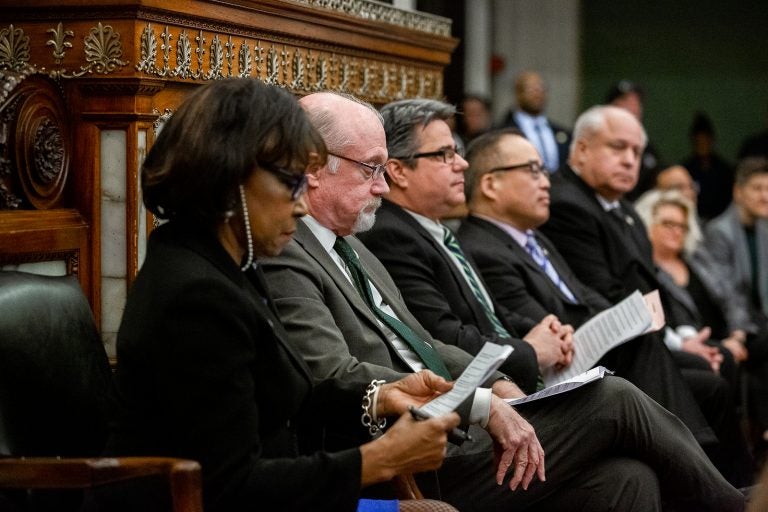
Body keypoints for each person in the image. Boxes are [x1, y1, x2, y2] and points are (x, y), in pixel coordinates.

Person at [261, 90, 745, 511]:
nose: (382, 187)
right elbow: (335, 375)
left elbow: (424, 342)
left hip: (456, 429)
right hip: (410, 453)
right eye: (371, 169)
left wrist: (497, 381)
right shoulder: (287, 250)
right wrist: (480, 402)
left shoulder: (355, 246)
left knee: (625, 478)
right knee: (612, 399)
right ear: (314, 167)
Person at [102, 79, 462, 512]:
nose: (301, 204)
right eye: (292, 181)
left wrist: (382, 394)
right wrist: (377, 461)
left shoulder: (230, 260)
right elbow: (229, 487)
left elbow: (291, 394)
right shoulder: (196, 296)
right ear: (234, 177)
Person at [456, 128, 717, 449]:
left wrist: (622, 318)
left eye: (545, 171)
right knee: (643, 348)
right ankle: (697, 472)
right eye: (532, 170)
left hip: (586, 348)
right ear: (491, 184)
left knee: (707, 380)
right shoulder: (482, 247)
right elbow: (542, 325)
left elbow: (583, 294)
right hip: (558, 369)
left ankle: (715, 474)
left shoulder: (536, 238)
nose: (546, 182)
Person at [539, 104, 752, 487]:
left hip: (642, 334)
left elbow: (651, 290)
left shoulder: (627, 211)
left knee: (717, 376)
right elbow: (603, 296)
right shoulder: (568, 204)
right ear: (582, 149)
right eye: (618, 148)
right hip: (606, 347)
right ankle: (703, 483)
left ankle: (732, 485)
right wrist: (673, 341)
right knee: (708, 379)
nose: (629, 160)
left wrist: (684, 337)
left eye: (636, 153)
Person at [704, 156, 768, 460]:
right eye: (757, 188)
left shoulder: (764, 229)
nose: (765, 196)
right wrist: (741, 333)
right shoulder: (720, 231)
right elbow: (727, 293)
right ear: (738, 191)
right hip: (736, 329)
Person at [499, 71, 571, 173]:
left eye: (541, 88)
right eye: (531, 88)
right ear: (518, 93)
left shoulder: (562, 133)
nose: (537, 93)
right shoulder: (502, 132)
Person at [605, 79, 663, 201]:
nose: (633, 107)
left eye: (636, 102)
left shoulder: (649, 151)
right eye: (626, 101)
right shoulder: (599, 139)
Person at [682, 111, 734, 221]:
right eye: (699, 141)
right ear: (693, 142)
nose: (702, 145)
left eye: (705, 141)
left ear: (711, 141)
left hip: (721, 220)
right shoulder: (686, 169)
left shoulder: (724, 170)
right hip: (693, 220)